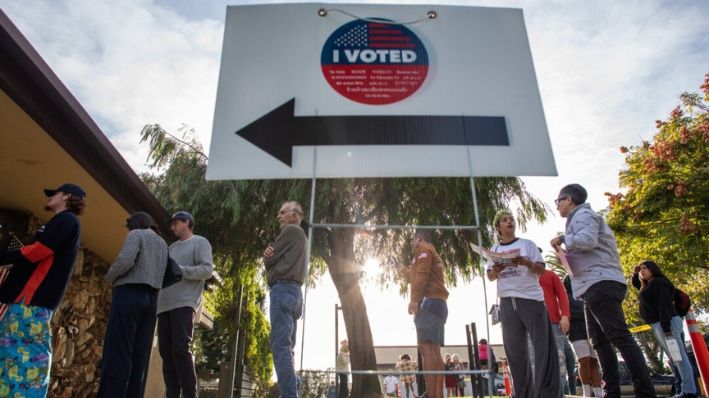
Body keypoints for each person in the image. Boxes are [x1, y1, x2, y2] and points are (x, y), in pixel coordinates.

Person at [550, 183, 656, 398]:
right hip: (590, 286)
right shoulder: (578, 220)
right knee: (599, 341)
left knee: (619, 336)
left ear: (569, 199)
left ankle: (645, 391)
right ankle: (611, 391)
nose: (558, 205)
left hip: (601, 283)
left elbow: (588, 240)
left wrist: (563, 239)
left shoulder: (583, 216)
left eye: (558, 201)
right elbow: (587, 250)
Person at [0, 183, 86, 396]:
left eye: (54, 194)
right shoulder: (59, 223)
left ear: (66, 196)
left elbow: (39, 251)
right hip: (25, 301)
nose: (49, 198)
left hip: (31, 301)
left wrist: (6, 257)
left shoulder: (67, 221)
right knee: (11, 353)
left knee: (27, 356)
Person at [487, 209, 561, 398]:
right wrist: (496, 269)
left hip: (531, 300)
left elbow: (541, 270)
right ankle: (523, 393)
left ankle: (547, 393)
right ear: (498, 227)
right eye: (504, 220)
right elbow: (490, 276)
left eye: (511, 219)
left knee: (542, 348)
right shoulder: (494, 250)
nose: (509, 221)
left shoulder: (527, 244)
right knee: (515, 352)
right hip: (506, 302)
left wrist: (527, 263)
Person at [97, 212, 168, 397]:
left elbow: (125, 260)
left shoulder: (137, 234)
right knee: (140, 353)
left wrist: (110, 277)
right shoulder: (162, 244)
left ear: (136, 223)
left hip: (129, 293)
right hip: (152, 299)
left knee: (119, 349)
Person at [157, 211, 214, 398]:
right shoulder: (171, 247)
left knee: (181, 349)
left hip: (184, 302)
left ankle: (191, 394)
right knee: (166, 352)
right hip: (163, 304)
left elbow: (207, 270)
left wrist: (180, 271)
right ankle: (171, 394)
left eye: (175, 223)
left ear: (187, 222)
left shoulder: (200, 242)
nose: (172, 227)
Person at [632, 260, 698, 398]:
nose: (642, 271)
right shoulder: (649, 285)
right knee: (676, 358)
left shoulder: (659, 283)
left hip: (666, 323)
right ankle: (684, 390)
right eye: (641, 269)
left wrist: (666, 327)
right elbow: (637, 285)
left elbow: (664, 305)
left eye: (645, 268)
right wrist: (635, 273)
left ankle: (689, 391)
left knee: (679, 358)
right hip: (661, 324)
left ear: (653, 269)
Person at [396, 230, 449, 398]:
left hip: (428, 304)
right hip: (439, 304)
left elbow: (421, 277)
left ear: (419, 239)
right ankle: (436, 394)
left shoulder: (424, 250)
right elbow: (417, 276)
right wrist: (403, 270)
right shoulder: (433, 253)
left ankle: (433, 395)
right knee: (434, 351)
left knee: (427, 351)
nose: (412, 244)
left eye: (413, 240)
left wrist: (414, 300)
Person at [263, 201, 307, 398]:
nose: (279, 216)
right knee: (288, 347)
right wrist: (270, 256)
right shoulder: (301, 237)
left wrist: (267, 256)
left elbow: (269, 260)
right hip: (295, 293)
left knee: (280, 345)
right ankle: (291, 391)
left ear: (294, 216)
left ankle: (289, 395)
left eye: (283, 212)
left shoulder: (290, 231)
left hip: (282, 289)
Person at [563, 275, 602, 397]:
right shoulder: (566, 297)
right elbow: (570, 313)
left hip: (592, 331)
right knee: (584, 360)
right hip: (576, 332)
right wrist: (586, 313)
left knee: (594, 362)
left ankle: (598, 393)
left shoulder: (585, 293)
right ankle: (586, 392)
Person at [538, 269, 575, 394]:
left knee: (559, 362)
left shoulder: (550, 275)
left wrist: (565, 315)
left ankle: (558, 393)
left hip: (553, 323)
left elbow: (562, 294)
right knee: (534, 361)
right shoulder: (523, 276)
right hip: (532, 324)